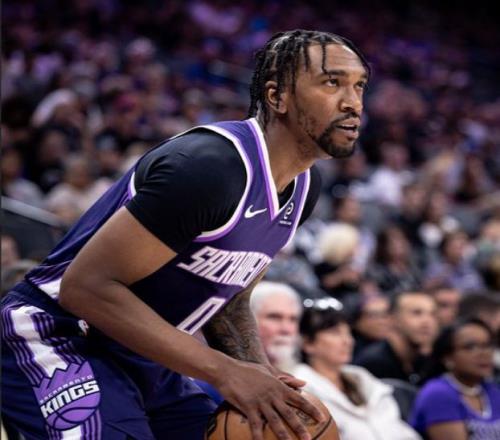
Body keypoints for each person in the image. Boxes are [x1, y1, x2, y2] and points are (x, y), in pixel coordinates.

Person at [1, 29, 370, 440]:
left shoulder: (304, 188)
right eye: (332, 82)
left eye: (359, 86)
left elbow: (229, 299)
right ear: (277, 96)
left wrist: (261, 377)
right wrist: (226, 371)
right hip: (61, 335)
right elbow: (84, 289)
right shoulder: (210, 167)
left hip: (144, 357)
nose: (353, 102)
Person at [292, 301, 421, 440]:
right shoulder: (299, 389)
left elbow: (400, 429)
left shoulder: (365, 379)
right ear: (307, 343)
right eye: (335, 333)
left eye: (348, 333)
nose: (347, 341)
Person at [411, 318, 500, 439]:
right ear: (448, 357)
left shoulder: (492, 391)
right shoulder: (438, 394)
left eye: (487, 345)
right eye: (470, 347)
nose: (484, 353)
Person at [355, 291, 438, 385]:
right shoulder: (372, 364)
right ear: (393, 318)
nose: (427, 322)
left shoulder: (430, 362)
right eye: (416, 313)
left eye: (433, 314)